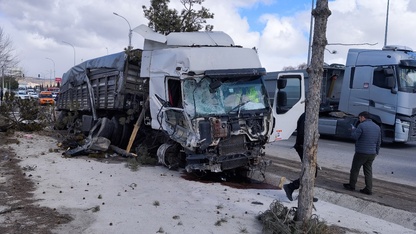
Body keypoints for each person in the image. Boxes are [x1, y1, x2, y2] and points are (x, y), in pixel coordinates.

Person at [343, 111, 381, 195]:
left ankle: (351, 185)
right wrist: (376, 152)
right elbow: (379, 141)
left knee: (355, 169)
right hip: (372, 153)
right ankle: (368, 189)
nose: (359, 119)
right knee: (368, 171)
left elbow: (355, 137)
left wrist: (353, 130)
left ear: (363, 117)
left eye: (359, 118)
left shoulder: (361, 126)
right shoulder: (377, 127)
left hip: (361, 152)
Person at [283, 112, 318, 202]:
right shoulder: (307, 116)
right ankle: (291, 187)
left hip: (306, 147)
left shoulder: (309, 115)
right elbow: (303, 132)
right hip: (303, 147)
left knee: (312, 171)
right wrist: (305, 146)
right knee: (312, 171)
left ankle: (306, 193)